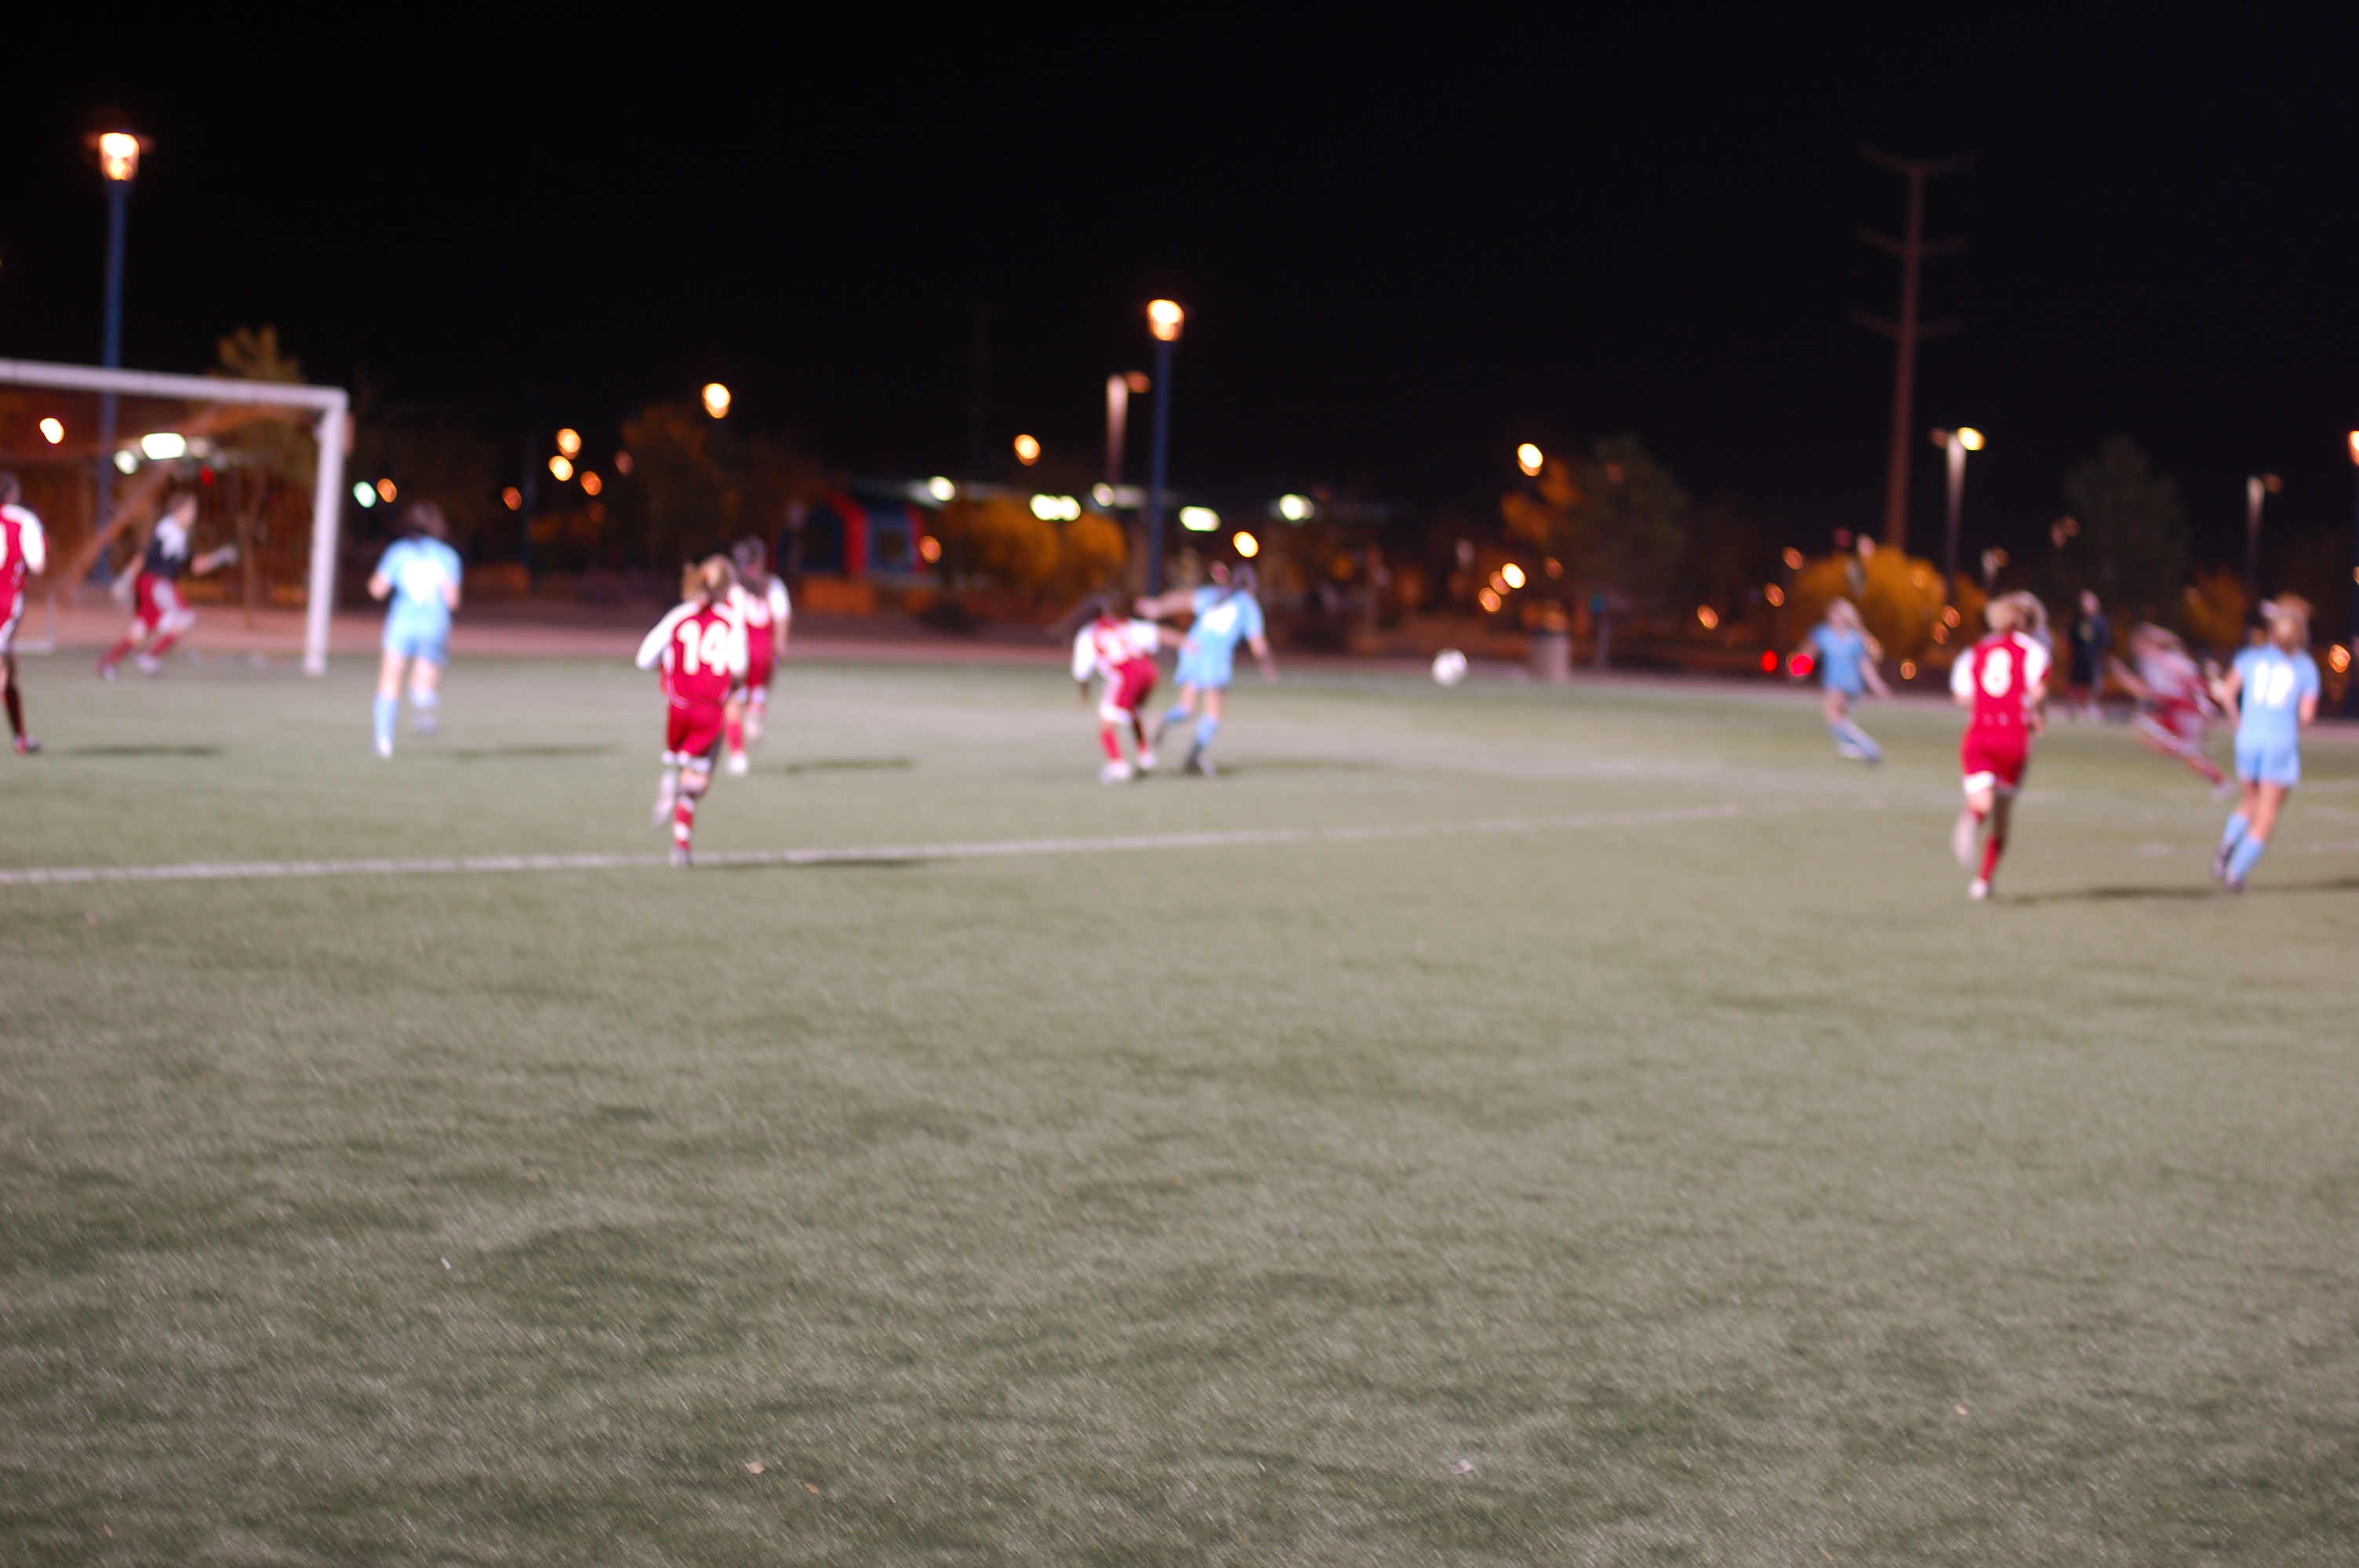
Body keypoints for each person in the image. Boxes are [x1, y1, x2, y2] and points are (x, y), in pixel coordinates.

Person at [637, 557, 747, 866]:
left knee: (684, 765)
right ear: (726, 588)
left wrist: (673, 668)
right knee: (698, 781)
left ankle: (673, 777)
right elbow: (739, 667)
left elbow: (644, 659)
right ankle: (681, 845)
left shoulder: (680, 615)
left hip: (678, 707)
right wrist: (731, 683)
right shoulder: (730, 620)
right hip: (709, 709)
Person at [2208, 597, 2321, 891]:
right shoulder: (2305, 667)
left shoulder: (2250, 657)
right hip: (2279, 741)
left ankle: (2227, 846)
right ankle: (2237, 873)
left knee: (2250, 802)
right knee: (2267, 813)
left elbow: (2228, 694)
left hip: (2248, 738)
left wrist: (2239, 723)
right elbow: (2307, 716)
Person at [1950, 591, 2052, 900]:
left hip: (1978, 734)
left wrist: (1988, 703)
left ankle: (1971, 819)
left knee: (1981, 804)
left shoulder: (1976, 650)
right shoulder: (2034, 651)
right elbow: (2037, 693)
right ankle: (1983, 881)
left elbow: (1961, 696)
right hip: (2012, 736)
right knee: (2003, 817)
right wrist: (2035, 714)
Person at [1137, 563, 1278, 776]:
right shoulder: (1248, 604)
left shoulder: (1215, 595)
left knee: (1186, 708)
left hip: (1192, 650)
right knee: (1213, 714)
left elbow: (1181, 599)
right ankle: (1193, 759)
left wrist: (1156, 607)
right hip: (1214, 657)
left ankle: (1161, 721)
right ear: (1252, 586)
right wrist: (1268, 666)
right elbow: (1258, 644)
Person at [96, 491, 235, 678]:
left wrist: (219, 557)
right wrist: (126, 578)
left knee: (141, 629)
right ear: (177, 510)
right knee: (185, 618)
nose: (193, 515)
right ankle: (151, 657)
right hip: (156, 584)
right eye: (190, 510)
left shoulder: (179, 535)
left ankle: (107, 663)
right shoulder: (168, 530)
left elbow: (194, 566)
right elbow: (145, 555)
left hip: (150, 584)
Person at [365, 501, 463, 759]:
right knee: (424, 680)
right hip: (434, 624)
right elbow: (452, 601)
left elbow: (377, 589)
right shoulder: (447, 557)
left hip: (402, 624)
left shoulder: (398, 553)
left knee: (390, 680)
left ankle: (384, 743)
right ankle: (423, 699)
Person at [2107, 622, 2230, 793]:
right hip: (2181, 709)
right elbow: (2175, 646)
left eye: (2138, 643)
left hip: (2186, 710)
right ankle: (2184, 750)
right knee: (2146, 729)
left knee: (2184, 752)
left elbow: (2146, 692)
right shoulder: (2167, 657)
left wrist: (2123, 676)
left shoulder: (2157, 661)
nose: (2135, 647)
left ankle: (2220, 780)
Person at [1071, 595, 1180, 782]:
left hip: (1127, 676)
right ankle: (1146, 756)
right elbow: (1159, 633)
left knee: (1106, 724)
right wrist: (1187, 643)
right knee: (1133, 713)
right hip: (1149, 671)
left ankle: (1118, 766)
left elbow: (1082, 672)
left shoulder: (1088, 634)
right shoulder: (1124, 624)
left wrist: (1084, 695)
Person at [722, 535, 791, 775]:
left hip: (740, 652)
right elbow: (782, 617)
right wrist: (781, 644)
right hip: (764, 652)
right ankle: (756, 710)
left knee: (732, 703)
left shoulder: (732, 589)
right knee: (757, 694)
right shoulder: (773, 586)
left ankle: (738, 755)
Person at [1793, 598, 1889, 763]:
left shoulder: (1856, 639)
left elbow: (1868, 663)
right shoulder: (1824, 633)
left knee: (1833, 716)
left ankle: (1870, 748)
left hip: (1847, 684)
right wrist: (1799, 669)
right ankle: (1855, 750)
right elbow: (1810, 652)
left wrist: (1877, 685)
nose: (1835, 619)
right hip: (1832, 683)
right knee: (1840, 721)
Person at [0, 474, 45, 754]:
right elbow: (37, 565)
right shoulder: (24, 520)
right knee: (4, 670)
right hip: (6, 600)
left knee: (9, 669)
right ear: (12, 493)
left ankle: (21, 738)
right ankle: (21, 739)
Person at [2066, 589, 2111, 720]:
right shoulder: (2077, 620)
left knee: (2093, 685)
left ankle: (2091, 707)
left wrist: (2099, 654)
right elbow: (2071, 637)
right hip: (2078, 657)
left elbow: (2105, 640)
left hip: (2093, 659)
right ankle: (2074, 708)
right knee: (2075, 683)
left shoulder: (2101, 622)